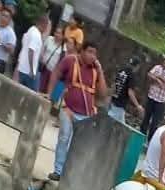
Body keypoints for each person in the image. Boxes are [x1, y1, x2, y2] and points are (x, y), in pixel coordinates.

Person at [50, 42, 107, 181]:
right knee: (64, 137)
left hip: (86, 114)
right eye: (89, 51)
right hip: (67, 108)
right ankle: (58, 171)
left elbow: (103, 94)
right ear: (82, 51)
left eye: (94, 53)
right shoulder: (70, 60)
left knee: (78, 146)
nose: (91, 56)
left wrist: (100, 71)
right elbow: (56, 73)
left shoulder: (95, 70)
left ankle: (70, 173)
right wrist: (49, 93)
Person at [141, 54, 165, 136]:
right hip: (151, 96)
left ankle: (150, 140)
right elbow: (149, 75)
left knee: (155, 122)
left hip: (160, 101)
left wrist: (156, 77)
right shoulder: (157, 67)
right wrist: (158, 80)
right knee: (146, 117)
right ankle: (141, 135)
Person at [107, 55, 143, 125]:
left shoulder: (121, 70)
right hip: (120, 104)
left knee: (118, 124)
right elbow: (130, 92)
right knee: (114, 124)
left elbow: (114, 85)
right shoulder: (131, 75)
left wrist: (110, 97)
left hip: (114, 100)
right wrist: (138, 106)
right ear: (137, 66)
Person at [15, 14, 47, 90]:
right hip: (29, 71)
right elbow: (31, 51)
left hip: (22, 68)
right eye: (46, 26)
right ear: (43, 24)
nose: (46, 29)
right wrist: (32, 70)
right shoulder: (36, 35)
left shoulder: (31, 30)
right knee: (33, 94)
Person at [40, 23, 67, 95]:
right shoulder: (49, 39)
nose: (56, 34)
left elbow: (62, 62)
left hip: (52, 73)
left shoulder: (63, 48)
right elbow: (42, 50)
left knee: (46, 92)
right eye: (56, 32)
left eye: (59, 33)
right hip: (44, 69)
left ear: (63, 36)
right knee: (38, 88)